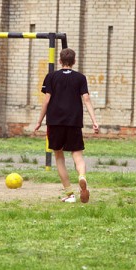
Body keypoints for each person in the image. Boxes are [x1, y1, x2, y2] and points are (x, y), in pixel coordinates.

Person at [34, 48, 99, 203]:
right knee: (77, 155)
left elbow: (46, 100)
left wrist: (39, 121)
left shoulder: (51, 77)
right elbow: (87, 99)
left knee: (59, 157)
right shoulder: (80, 78)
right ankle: (82, 177)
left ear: (60, 61)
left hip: (55, 122)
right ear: (74, 61)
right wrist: (94, 121)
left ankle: (70, 194)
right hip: (74, 121)